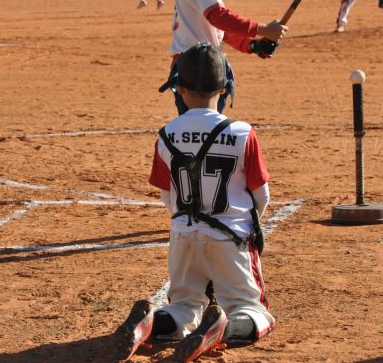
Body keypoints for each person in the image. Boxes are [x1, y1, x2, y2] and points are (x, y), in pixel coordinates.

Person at [114, 43, 274, 363]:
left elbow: (167, 195)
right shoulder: (242, 133)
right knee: (254, 311)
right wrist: (245, 226)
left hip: (183, 236)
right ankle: (221, 329)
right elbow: (261, 195)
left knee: (183, 307)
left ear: (179, 89)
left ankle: (149, 325)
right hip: (230, 239)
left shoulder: (167, 133)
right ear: (225, 87)